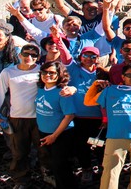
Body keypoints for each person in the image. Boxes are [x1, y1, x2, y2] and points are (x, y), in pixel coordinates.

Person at [0, 43, 43, 189]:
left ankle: (46, 174)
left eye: (33, 55)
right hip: (17, 118)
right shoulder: (8, 72)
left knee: (43, 150)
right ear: (20, 55)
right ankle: (21, 180)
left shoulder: (43, 71)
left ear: (38, 58)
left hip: (39, 118)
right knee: (19, 152)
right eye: (26, 54)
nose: (29, 57)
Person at [36, 61, 78, 189]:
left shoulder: (63, 93)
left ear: (59, 74)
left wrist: (54, 136)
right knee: (55, 165)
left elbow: (69, 116)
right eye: (44, 72)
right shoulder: (41, 90)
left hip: (60, 135)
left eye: (52, 73)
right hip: (44, 132)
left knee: (60, 166)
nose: (47, 75)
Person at [67, 46, 104, 184]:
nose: (89, 59)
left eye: (93, 56)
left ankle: (102, 166)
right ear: (80, 57)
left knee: (101, 144)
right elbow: (65, 57)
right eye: (86, 56)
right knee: (82, 145)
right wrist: (57, 38)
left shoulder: (102, 73)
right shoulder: (74, 70)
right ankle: (86, 168)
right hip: (79, 117)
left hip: (99, 117)